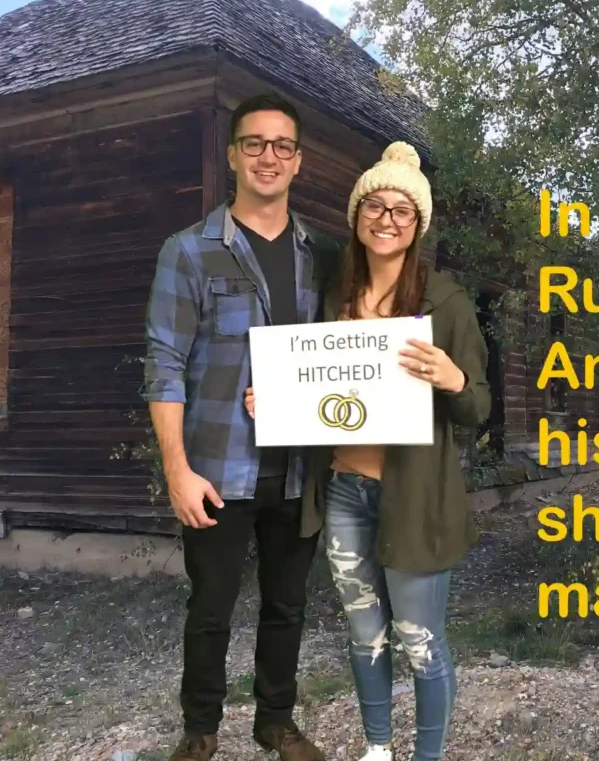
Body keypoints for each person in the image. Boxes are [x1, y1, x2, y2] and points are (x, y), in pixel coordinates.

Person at [244, 140, 491, 761]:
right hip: (346, 493)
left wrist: (452, 378)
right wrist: (274, 400)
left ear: (418, 224)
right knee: (365, 635)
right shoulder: (335, 297)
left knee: (420, 640)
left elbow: (480, 409)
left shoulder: (446, 302)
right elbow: (320, 392)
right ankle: (377, 749)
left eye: (401, 210)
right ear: (357, 218)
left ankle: (426, 756)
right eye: (373, 207)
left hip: (415, 499)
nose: (386, 219)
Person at [143, 92, 335, 761]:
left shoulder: (321, 256)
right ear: (233, 155)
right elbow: (165, 363)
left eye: (282, 145)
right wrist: (177, 469)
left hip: (298, 470)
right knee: (211, 611)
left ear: (299, 160)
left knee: (287, 607)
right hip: (218, 471)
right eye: (254, 143)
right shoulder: (190, 252)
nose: (268, 157)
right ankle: (200, 731)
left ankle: (274, 722)